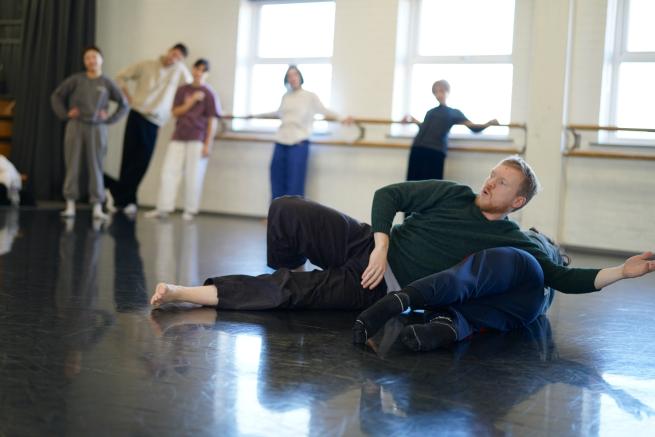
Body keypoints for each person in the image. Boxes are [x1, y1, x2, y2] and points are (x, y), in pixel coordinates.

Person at [149, 156, 655, 346]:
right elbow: (389, 196)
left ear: (516, 201)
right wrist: (381, 240)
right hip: (366, 246)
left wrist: (620, 271)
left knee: (288, 292)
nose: (489, 181)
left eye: (501, 183)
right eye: (492, 174)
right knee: (287, 206)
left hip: (377, 283)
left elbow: (563, 280)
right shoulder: (455, 193)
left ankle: (186, 292)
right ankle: (289, 266)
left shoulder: (513, 241)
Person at [104, 43, 192, 215]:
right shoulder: (146, 65)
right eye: (174, 53)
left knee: (142, 163)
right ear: (168, 50)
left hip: (155, 122)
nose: (174, 58)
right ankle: (127, 201)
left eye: (179, 57)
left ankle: (118, 193)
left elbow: (190, 85)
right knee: (128, 159)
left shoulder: (179, 71)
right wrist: (127, 97)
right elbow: (120, 77)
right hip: (137, 115)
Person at [51, 46, 128, 220]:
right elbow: (56, 96)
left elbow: (124, 104)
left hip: (97, 128)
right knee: (72, 164)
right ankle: (70, 204)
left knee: (96, 166)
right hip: (75, 126)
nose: (91, 61)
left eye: (94, 57)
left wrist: (108, 119)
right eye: (87, 58)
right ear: (84, 61)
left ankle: (97, 207)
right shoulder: (76, 80)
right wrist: (65, 114)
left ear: (101, 59)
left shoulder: (107, 83)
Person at [254, 65, 351, 200]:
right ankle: (276, 215)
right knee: (276, 178)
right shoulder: (285, 97)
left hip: (298, 142)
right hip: (281, 141)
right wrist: (255, 116)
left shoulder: (309, 96)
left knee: (295, 182)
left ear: (300, 77)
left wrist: (341, 118)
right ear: (286, 79)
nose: (292, 78)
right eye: (289, 76)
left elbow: (324, 110)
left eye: (295, 75)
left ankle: (294, 219)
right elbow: (278, 113)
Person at [144, 59, 221, 220]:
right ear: (192, 69)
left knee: (194, 175)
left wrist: (208, 144)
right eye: (197, 69)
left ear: (207, 74)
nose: (199, 73)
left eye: (203, 70)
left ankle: (190, 210)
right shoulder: (182, 90)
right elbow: (175, 112)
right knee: (169, 172)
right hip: (179, 136)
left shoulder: (209, 93)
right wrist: (192, 101)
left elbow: (212, 121)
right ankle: (163, 208)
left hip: (197, 139)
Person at [405, 80, 498, 181]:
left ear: (447, 91)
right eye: (435, 92)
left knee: (432, 186)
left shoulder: (454, 112)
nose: (438, 94)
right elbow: (424, 128)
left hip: (435, 151)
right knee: (412, 183)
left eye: (441, 90)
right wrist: (413, 120)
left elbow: (474, 128)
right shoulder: (430, 112)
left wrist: (489, 123)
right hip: (417, 149)